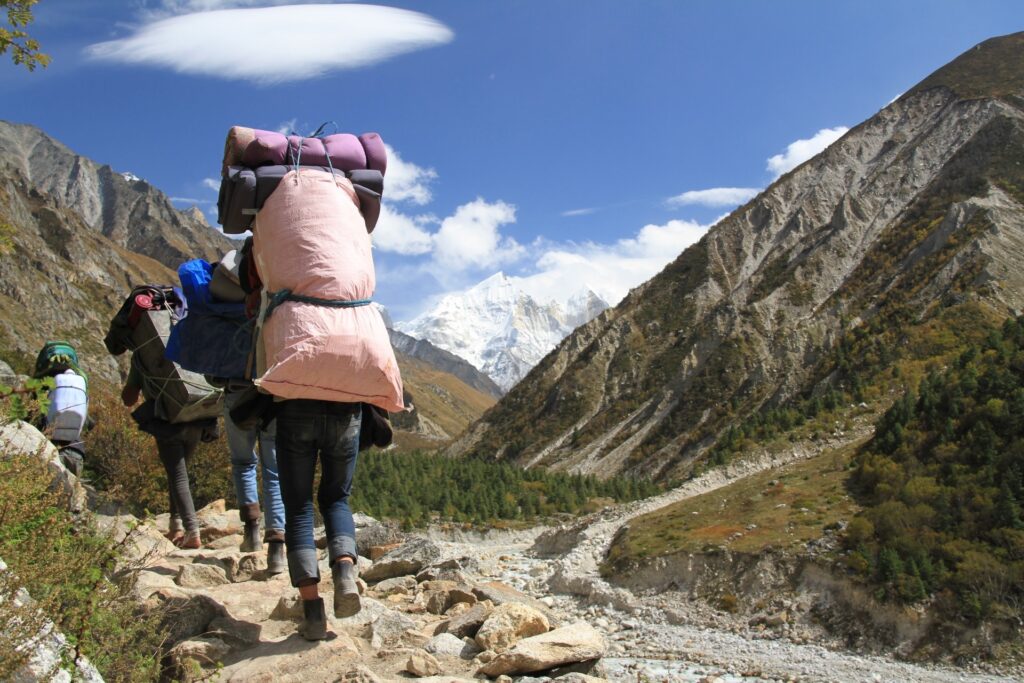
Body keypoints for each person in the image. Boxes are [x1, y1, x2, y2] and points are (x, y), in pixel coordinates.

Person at [275, 398, 362, 640]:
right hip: (346, 411)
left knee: (298, 507)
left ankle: (313, 616)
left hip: (294, 409)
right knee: (337, 499)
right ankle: (344, 575)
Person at [121, 355, 217, 549]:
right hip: (197, 417)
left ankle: (192, 531)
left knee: (178, 476)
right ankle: (176, 526)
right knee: (178, 474)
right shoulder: (189, 345)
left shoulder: (145, 353)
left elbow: (128, 398)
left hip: (168, 421)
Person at [222, 380, 286, 574]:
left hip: (238, 395)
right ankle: (276, 550)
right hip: (274, 397)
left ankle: (252, 533)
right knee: (274, 473)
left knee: (243, 463)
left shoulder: (232, 346)